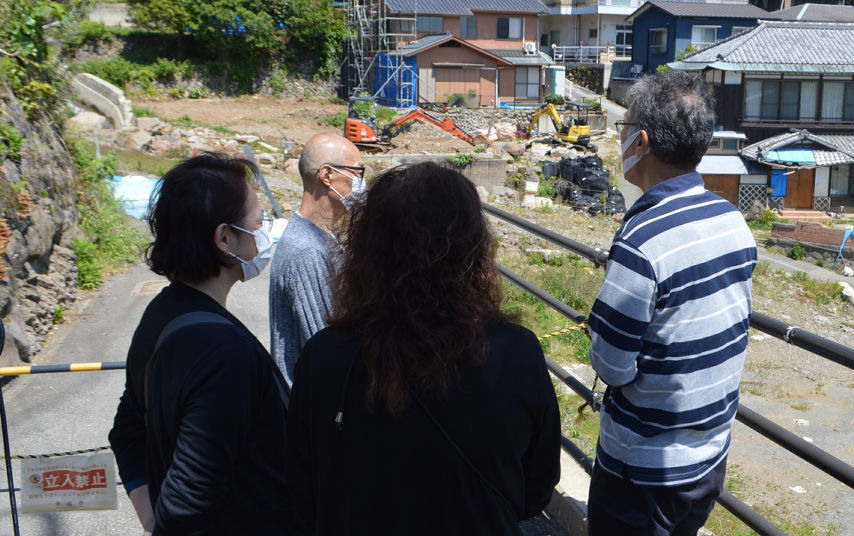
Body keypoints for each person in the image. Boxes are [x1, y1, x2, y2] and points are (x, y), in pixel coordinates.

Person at [287, 161, 561, 535]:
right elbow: (535, 491)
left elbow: (300, 491)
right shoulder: (515, 352)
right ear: (474, 248)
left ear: (366, 248)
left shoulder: (324, 356)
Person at [587, 71, 758, 536]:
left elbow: (611, 363)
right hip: (708, 458)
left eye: (622, 129)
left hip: (642, 472)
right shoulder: (730, 219)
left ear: (640, 141)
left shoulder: (642, 241)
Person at [109, 153, 308, 536]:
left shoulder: (162, 313)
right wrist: (162, 524)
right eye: (257, 219)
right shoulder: (222, 352)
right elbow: (188, 504)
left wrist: (151, 520)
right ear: (224, 237)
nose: (264, 228)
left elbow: (126, 430)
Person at [269, 132, 364, 385]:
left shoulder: (324, 236)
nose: (360, 184)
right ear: (327, 175)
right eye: (357, 173)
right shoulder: (307, 250)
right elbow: (329, 346)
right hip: (315, 410)